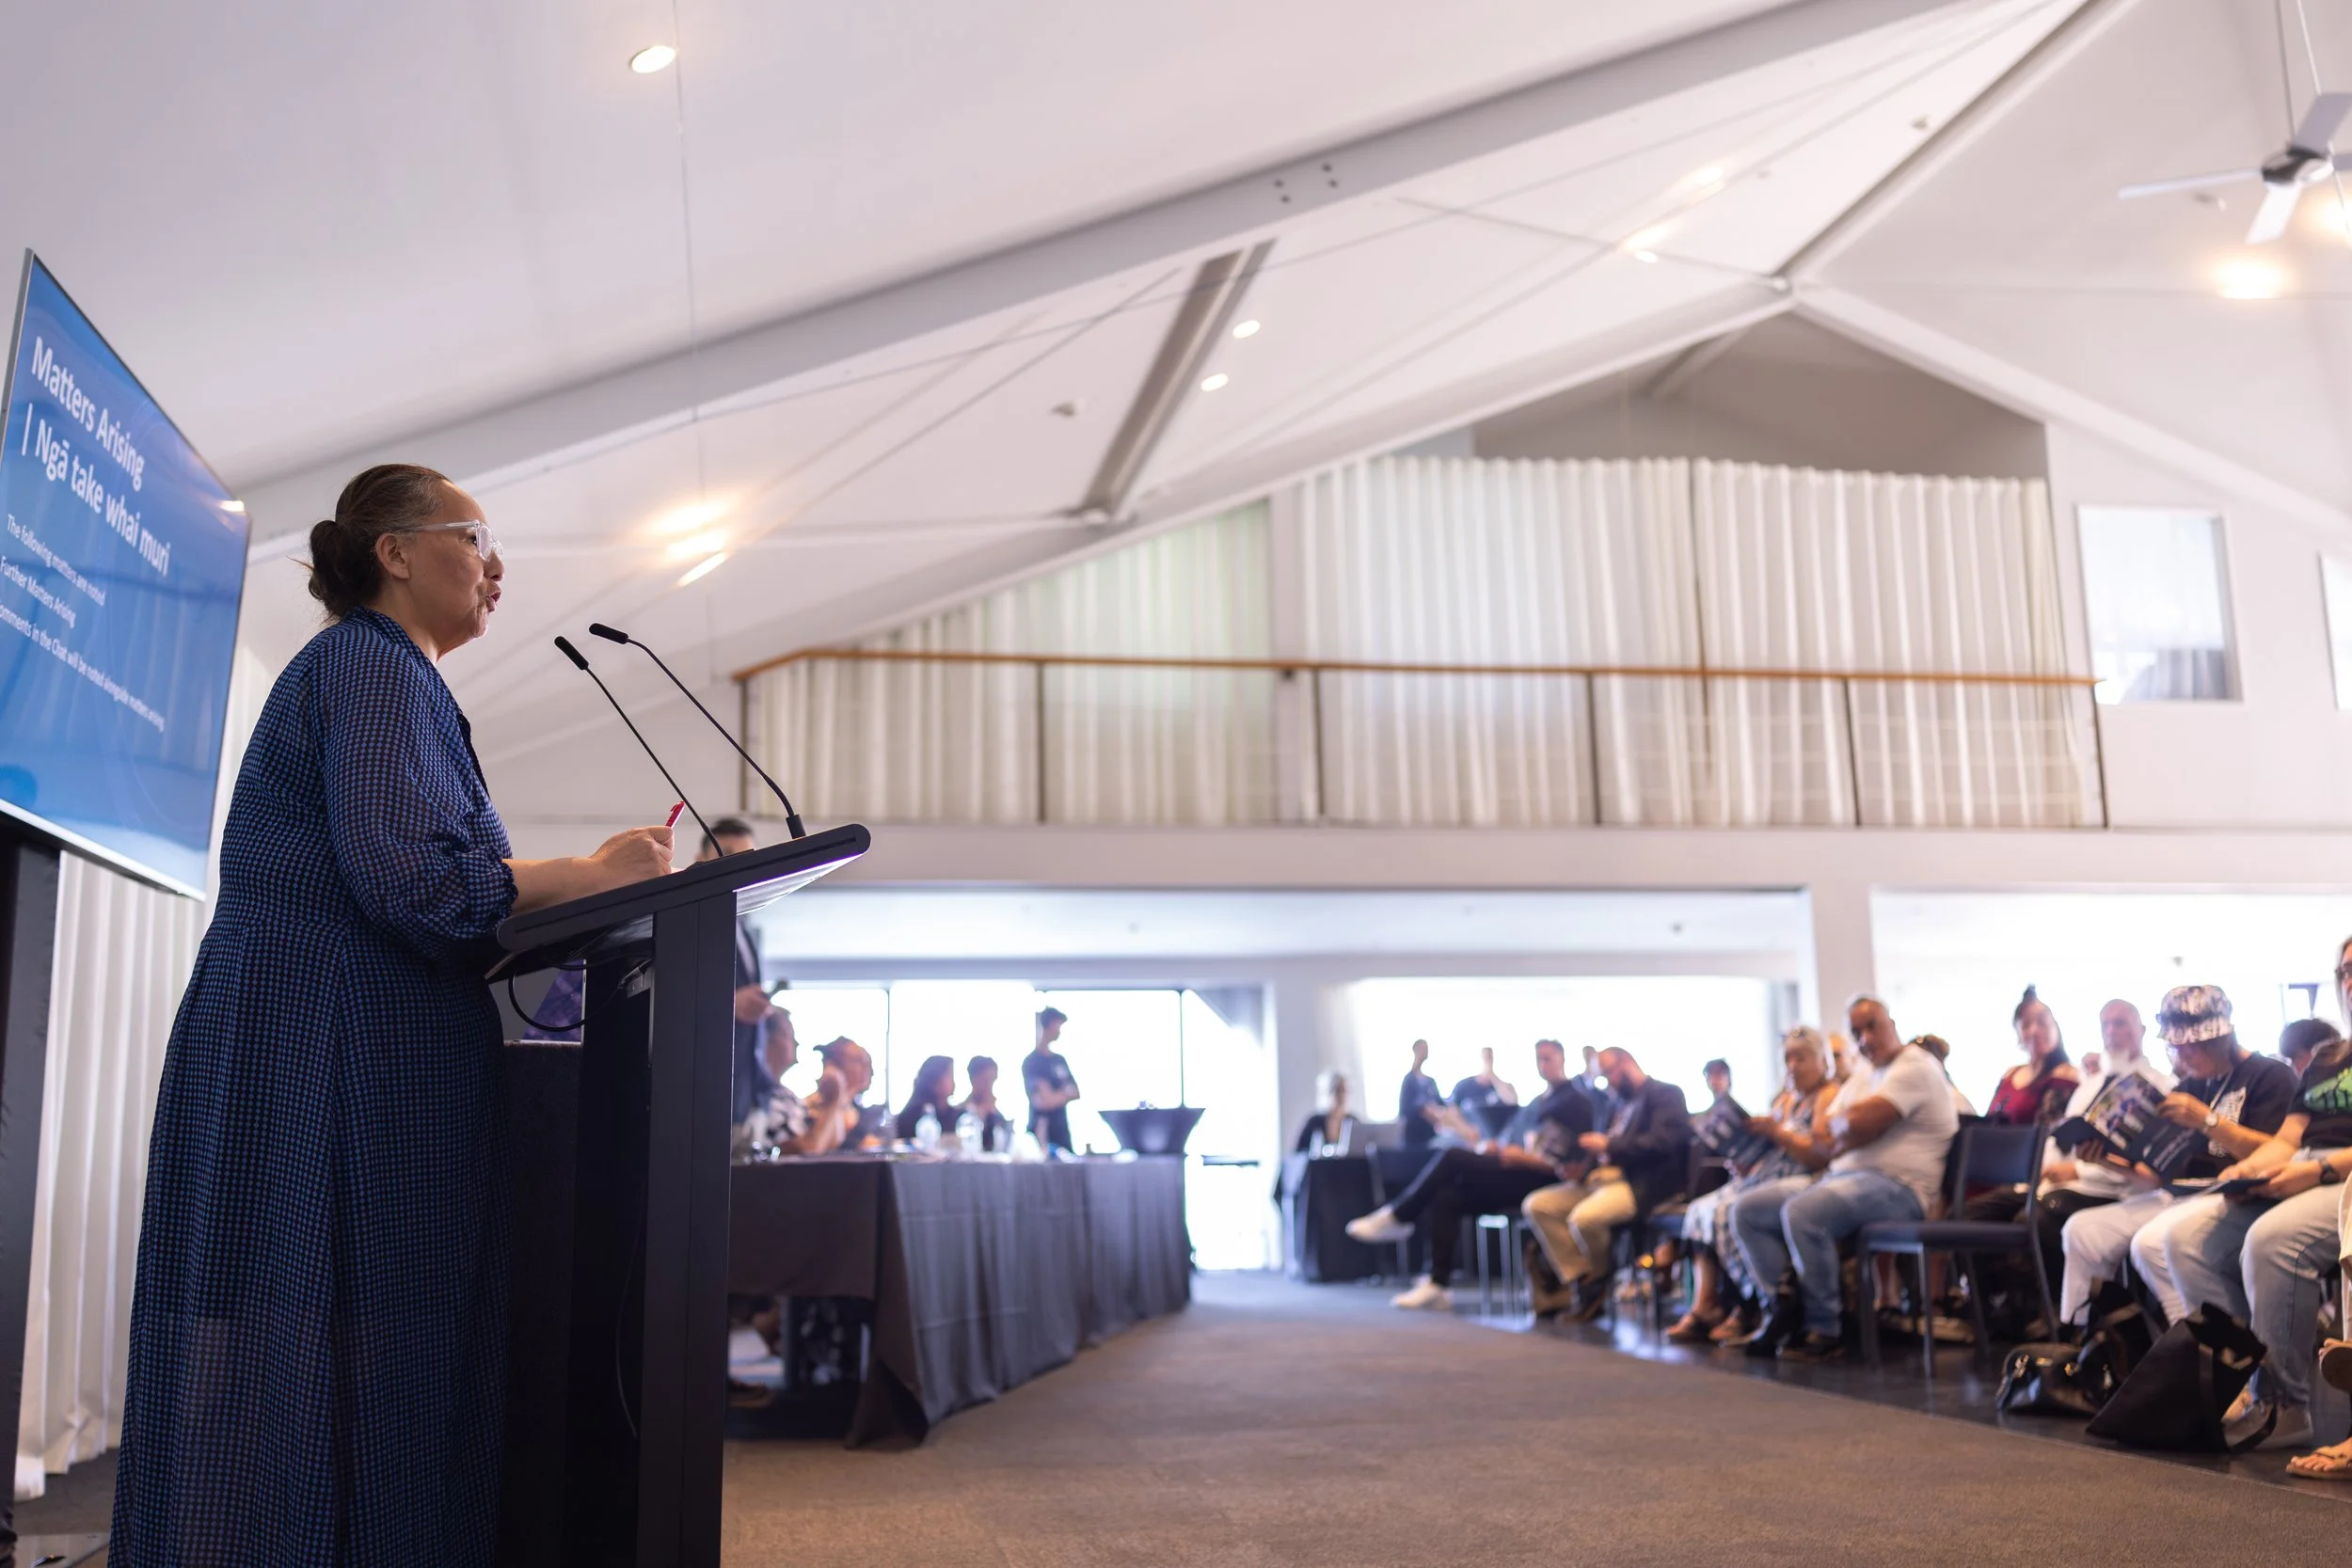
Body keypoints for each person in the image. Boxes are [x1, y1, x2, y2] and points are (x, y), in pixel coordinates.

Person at [111, 465, 676, 1565]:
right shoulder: (368, 668)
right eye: (477, 537)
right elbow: (413, 880)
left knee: (358, 1347)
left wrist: (576, 884)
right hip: (326, 1046)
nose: (498, 565)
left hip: (358, 1041)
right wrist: (586, 868)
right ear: (396, 552)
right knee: (328, 1335)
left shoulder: (396, 678)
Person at [2135, 977, 2352, 1450]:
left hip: (2342, 1172)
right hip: (2308, 1163)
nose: (2350, 979)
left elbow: (2306, 1156)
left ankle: (2285, 1404)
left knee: (2272, 1240)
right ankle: (2241, 1382)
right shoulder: (2329, 1059)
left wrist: (2315, 1170)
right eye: (2344, 971)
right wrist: (2248, 1172)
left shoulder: (2268, 1074)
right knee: (2183, 1241)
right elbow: (2287, 1141)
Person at [2058, 986, 2300, 1329]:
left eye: (2189, 1047)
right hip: (2177, 1193)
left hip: (2233, 1193)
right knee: (2081, 1230)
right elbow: (2155, 1176)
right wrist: (2106, 1160)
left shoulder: (2270, 1075)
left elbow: (2279, 1151)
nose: (2181, 1058)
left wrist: (2207, 1121)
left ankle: (2212, 1346)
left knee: (2151, 1243)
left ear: (2217, 1040)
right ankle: (2081, 1340)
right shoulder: (2189, 1086)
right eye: (2175, 1047)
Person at [1732, 995, 1960, 1360]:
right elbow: (1825, 1133)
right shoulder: (1866, 1074)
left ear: (1892, 1023)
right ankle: (1785, 1306)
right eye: (1857, 1032)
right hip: (1842, 1177)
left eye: (1873, 1026)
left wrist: (1850, 1127)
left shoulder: (1915, 1066)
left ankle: (1825, 1328)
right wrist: (1849, 1127)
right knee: (1748, 1209)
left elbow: (1857, 1123)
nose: (1866, 1038)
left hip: (1900, 1188)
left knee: (1803, 1212)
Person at [1347, 1040, 1597, 1311]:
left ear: (1561, 1059)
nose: (1543, 1064)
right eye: (1539, 1059)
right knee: (1447, 1197)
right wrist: (1498, 1148)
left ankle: (1399, 1215)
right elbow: (1514, 1141)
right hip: (1515, 1170)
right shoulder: (1538, 1103)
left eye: (1548, 1058)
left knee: (1453, 1157)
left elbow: (1569, 1163)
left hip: (1540, 1178)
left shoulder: (1576, 1102)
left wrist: (1524, 1157)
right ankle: (1437, 1284)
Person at [1667, 1027, 1839, 1343]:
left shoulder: (1828, 1095)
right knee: (1700, 1210)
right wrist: (1744, 1157)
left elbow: (1819, 1155)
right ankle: (1707, 1304)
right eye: (1788, 1058)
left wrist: (1777, 1133)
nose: (1792, 1066)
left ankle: (1751, 1306)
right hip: (1765, 1174)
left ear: (1821, 1060)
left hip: (1803, 1178)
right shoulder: (1786, 1099)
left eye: (1800, 1057)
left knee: (1727, 1211)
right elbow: (1771, 1148)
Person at [1522, 1048, 1692, 1318]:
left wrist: (1610, 1145)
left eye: (1607, 1074)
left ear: (1625, 1064)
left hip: (1639, 1184)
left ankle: (1599, 1279)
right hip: (1598, 1181)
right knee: (1538, 1205)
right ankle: (1583, 1278)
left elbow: (1663, 1143)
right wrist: (1579, 1169)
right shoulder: (1616, 1104)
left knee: (1584, 1219)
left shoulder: (1665, 1094)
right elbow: (1600, 1148)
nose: (1607, 1082)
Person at [1984, 985, 2080, 1125]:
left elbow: (2050, 1130)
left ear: (2056, 1027)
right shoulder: (2010, 1074)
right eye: (2026, 1024)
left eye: (2042, 1022)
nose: (2034, 1031)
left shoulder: (2066, 1075)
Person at [1024, 1007, 1083, 1150]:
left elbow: (1075, 1093)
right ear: (1049, 1025)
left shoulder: (1059, 1060)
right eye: (1057, 1026)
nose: (1059, 1032)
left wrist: (1052, 1095)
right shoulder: (1032, 1062)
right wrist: (1063, 1093)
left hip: (1061, 1133)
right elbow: (1042, 1102)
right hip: (1041, 1134)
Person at [895, 1054, 959, 1143]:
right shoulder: (912, 1116)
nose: (954, 1082)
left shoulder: (955, 1115)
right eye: (950, 1076)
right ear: (935, 1080)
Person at [1295, 1070, 1359, 1153]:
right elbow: (1298, 1154)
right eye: (1337, 1090)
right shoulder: (1314, 1122)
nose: (1341, 1096)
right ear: (1327, 1091)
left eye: (1344, 1091)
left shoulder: (1353, 1121)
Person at [1450, 1047, 1519, 1123]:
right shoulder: (1463, 1086)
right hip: (1471, 1130)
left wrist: (1493, 1078)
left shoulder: (1504, 1086)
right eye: (1485, 1058)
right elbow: (1452, 1110)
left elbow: (1512, 1102)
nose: (1487, 1061)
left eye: (1490, 1058)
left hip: (1500, 1131)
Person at [960, 1055, 1015, 1152]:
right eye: (984, 1080)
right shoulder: (960, 1114)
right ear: (972, 1078)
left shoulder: (999, 1118)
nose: (988, 1085)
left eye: (992, 1080)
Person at [1399, 1039, 1444, 1148]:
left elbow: (1441, 1104)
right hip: (1414, 1136)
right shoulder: (1409, 1080)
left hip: (1431, 1134)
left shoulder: (1430, 1082)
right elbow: (1406, 1109)